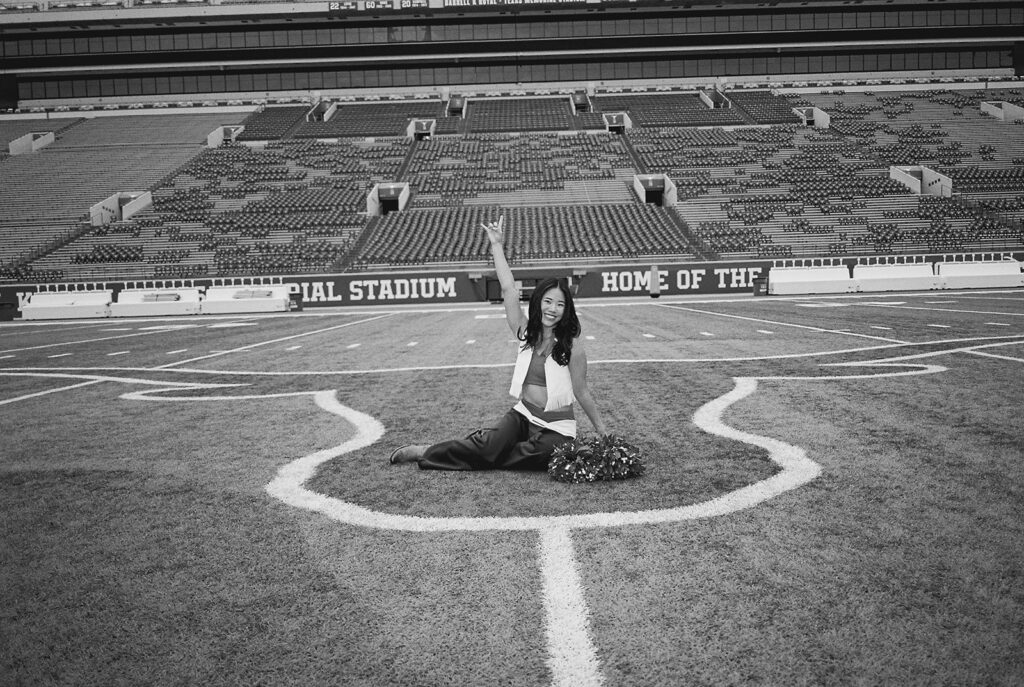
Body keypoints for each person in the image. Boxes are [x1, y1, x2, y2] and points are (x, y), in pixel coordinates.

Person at [390, 215, 608, 471]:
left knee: (541, 456)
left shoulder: (572, 346)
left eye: (560, 304)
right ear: (538, 302)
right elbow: (508, 289)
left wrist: (603, 433)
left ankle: (485, 447)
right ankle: (425, 451)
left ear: (566, 309)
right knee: (496, 448)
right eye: (548, 301)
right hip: (524, 414)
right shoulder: (525, 331)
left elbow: (581, 391)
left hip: (557, 426)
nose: (553, 309)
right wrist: (496, 245)